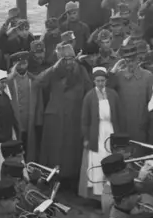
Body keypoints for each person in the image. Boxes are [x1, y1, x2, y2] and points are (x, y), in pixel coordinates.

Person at [35, 42, 90, 192]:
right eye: (65, 59)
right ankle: (53, 178)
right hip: (56, 118)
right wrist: (54, 69)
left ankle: (71, 179)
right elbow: (38, 82)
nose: (69, 62)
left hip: (74, 117)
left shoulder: (81, 71)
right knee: (55, 151)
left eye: (72, 58)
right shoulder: (53, 72)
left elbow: (89, 91)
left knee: (72, 151)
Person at [80, 66, 119, 202]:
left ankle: (111, 193)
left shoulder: (113, 94)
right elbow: (84, 119)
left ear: (106, 81)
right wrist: (86, 137)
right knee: (97, 160)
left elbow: (119, 115)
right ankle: (97, 195)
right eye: (98, 81)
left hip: (111, 130)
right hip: (96, 133)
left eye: (103, 80)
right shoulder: (89, 96)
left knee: (111, 159)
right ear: (94, 81)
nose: (100, 83)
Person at [7, 51, 41, 158]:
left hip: (29, 124)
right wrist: (11, 75)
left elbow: (40, 104)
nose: (22, 66)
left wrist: (38, 122)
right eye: (19, 63)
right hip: (14, 124)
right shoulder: (8, 81)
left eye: (24, 63)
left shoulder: (34, 80)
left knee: (29, 151)